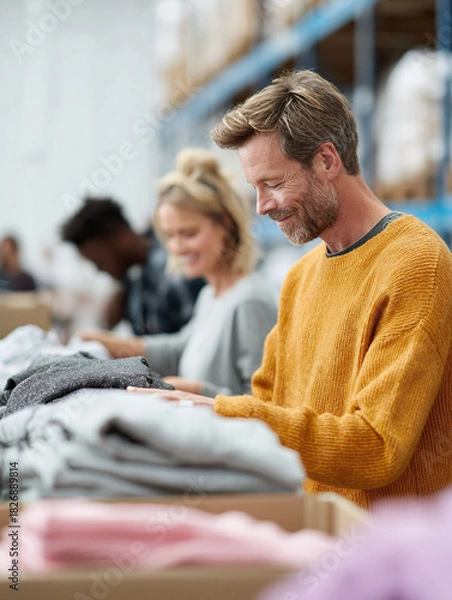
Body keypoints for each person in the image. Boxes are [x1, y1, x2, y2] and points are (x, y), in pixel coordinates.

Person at [129, 70, 452, 509]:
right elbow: (267, 404)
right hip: (322, 540)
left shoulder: (417, 264)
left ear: (326, 161)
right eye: (254, 188)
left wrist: (219, 411)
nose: (262, 207)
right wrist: (191, 404)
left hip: (393, 556)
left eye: (274, 184)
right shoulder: (300, 278)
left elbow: (376, 447)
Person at [81, 148, 278, 397]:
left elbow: (267, 404)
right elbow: (178, 350)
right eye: (170, 236)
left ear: (226, 224)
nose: (176, 248)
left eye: (189, 234)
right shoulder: (211, 296)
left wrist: (195, 390)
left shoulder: (250, 303)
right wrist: (96, 341)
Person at [60, 197, 205, 335]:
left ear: (121, 237)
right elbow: (108, 320)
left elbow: (194, 347)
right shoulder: (136, 275)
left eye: (98, 261)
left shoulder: (171, 271)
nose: (98, 269)